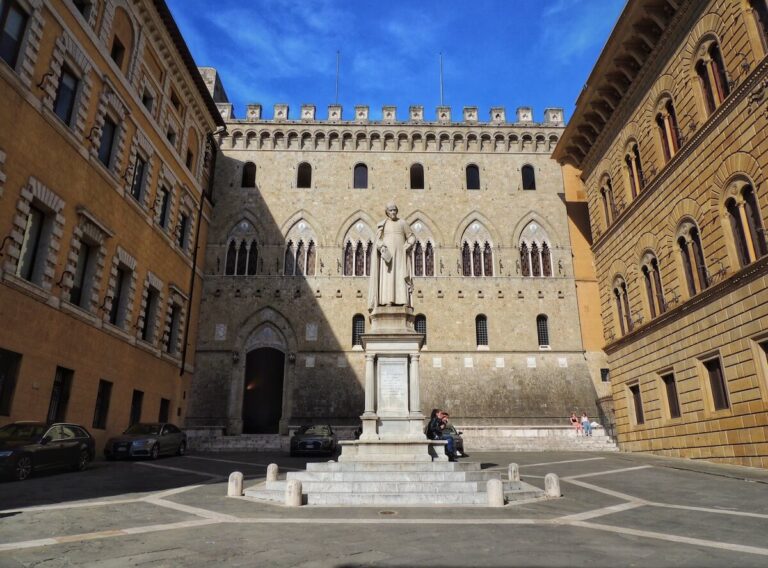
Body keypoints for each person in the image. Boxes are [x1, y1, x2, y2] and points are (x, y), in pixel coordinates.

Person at [368, 203, 416, 311]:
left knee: (401, 275)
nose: (393, 212)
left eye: (394, 210)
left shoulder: (402, 223)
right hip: (387, 257)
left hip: (400, 255)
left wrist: (409, 244)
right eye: (390, 210)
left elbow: (411, 236)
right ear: (387, 212)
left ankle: (403, 301)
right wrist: (381, 247)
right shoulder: (383, 225)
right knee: (388, 278)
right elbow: (377, 240)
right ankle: (387, 301)